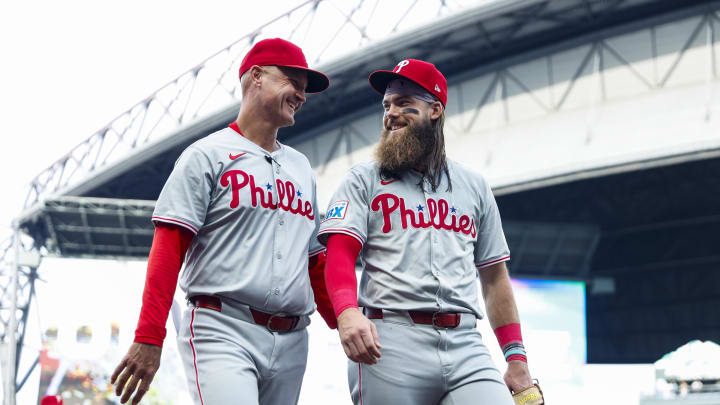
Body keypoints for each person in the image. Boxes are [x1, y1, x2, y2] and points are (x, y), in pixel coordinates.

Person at [110, 38, 336, 405]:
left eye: (304, 88)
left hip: (293, 338)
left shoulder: (301, 168)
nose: (301, 94)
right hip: (223, 327)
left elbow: (313, 261)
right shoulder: (206, 155)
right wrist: (149, 337)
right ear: (257, 77)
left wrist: (345, 322)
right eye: (293, 81)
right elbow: (169, 248)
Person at [318, 59, 535, 404]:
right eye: (387, 105)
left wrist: (516, 358)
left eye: (405, 103)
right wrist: (346, 312)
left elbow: (494, 278)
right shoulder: (364, 179)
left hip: (465, 343)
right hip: (390, 340)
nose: (391, 113)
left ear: (434, 110)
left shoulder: (473, 185)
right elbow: (340, 253)